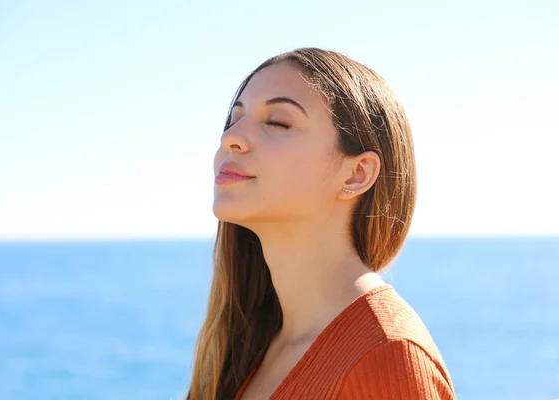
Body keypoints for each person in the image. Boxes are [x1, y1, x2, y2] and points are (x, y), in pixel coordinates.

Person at [185, 47, 456, 400]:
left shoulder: (388, 356)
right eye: (233, 120)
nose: (229, 138)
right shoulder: (246, 346)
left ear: (356, 174)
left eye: (278, 122)